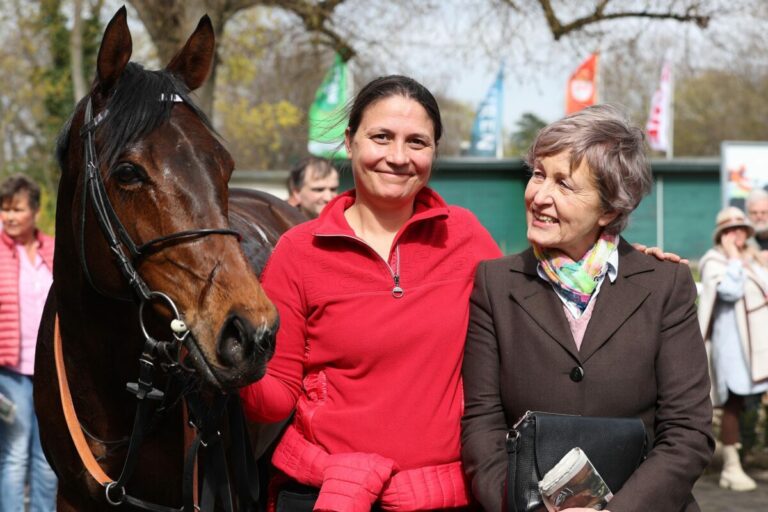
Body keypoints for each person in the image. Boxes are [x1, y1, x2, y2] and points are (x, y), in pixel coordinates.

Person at [240, 75, 503, 511]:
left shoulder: (466, 236)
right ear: (349, 142)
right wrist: (228, 365)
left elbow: (540, 305)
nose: (398, 157)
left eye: (417, 142)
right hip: (324, 495)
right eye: (381, 137)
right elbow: (276, 395)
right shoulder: (299, 251)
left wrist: (633, 265)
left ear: (435, 151)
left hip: (446, 497)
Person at [461, 105, 714, 512]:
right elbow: (482, 424)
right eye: (539, 174)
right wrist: (523, 508)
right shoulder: (495, 282)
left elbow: (688, 433)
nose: (539, 196)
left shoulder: (665, 284)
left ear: (611, 209)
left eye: (565, 184)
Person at [698, 206, 768, 492]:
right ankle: (730, 466)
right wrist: (737, 259)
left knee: (752, 402)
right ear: (722, 234)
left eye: (741, 229)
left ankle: (744, 457)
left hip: (758, 344)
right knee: (733, 404)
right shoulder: (713, 261)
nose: (738, 234)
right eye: (732, 230)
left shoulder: (750, 260)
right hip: (732, 346)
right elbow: (729, 291)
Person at [0, 174, 57, 512]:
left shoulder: (52, 249)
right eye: (4, 209)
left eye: (17, 209)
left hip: (49, 374)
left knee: (48, 459)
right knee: (14, 455)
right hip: (9, 375)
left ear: (34, 211)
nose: (8, 216)